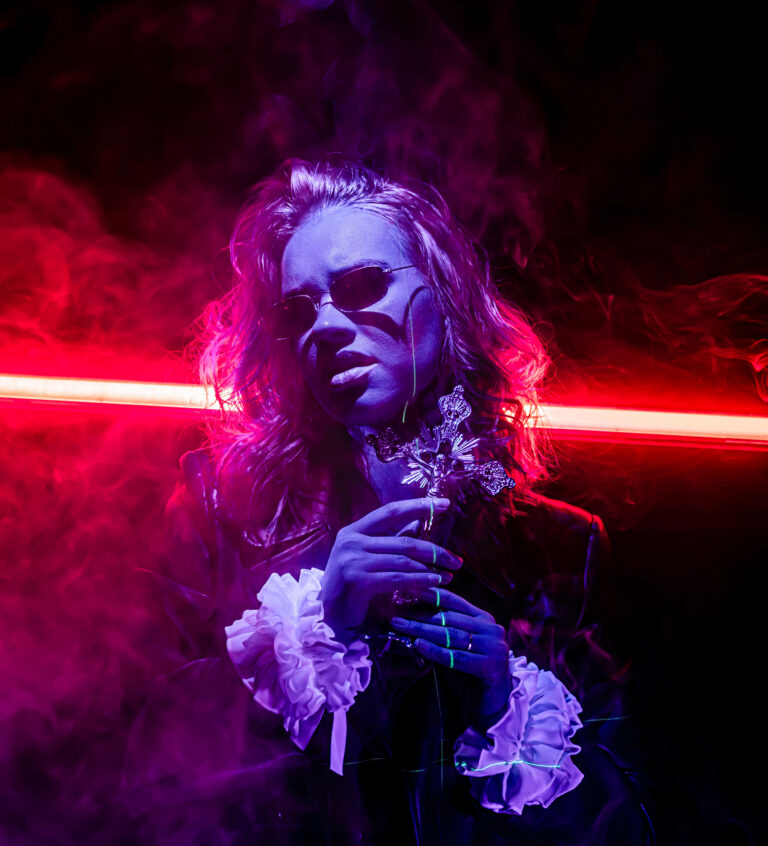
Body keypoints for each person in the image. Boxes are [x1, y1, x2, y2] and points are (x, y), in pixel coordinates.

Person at [122, 159, 654, 845]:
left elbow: (629, 823)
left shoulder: (558, 550)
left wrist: (501, 704)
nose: (324, 327)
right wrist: (319, 628)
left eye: (362, 285)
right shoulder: (223, 506)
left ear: (445, 294)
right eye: (297, 310)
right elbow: (145, 775)